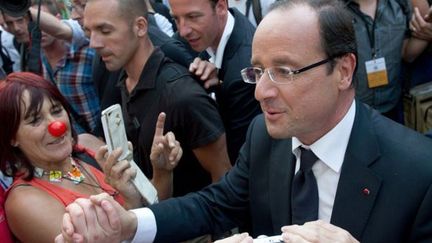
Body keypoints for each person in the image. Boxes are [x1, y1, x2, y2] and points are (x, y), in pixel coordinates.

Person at [56, 0, 432, 242]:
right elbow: (214, 204)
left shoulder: (418, 172)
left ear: (344, 71)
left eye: (284, 71)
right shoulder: (265, 137)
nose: (261, 92)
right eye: (257, 72)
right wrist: (130, 224)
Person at [0, 72, 180, 242]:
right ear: (12, 137)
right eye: (35, 120)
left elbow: (158, 213)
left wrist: (162, 171)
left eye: (56, 110)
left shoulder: (89, 146)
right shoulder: (24, 202)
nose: (56, 125)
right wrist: (131, 201)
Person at [84, 0, 232, 197]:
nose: (94, 43)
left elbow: (224, 179)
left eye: (105, 30)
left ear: (140, 27)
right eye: (88, 32)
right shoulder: (124, 81)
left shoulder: (182, 95)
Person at [170, 0, 262, 163]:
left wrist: (218, 82)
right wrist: (196, 66)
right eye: (176, 19)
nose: (183, 30)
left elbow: (238, 159)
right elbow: (172, 44)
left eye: (193, 17)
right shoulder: (209, 30)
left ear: (220, 7)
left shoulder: (243, 70)